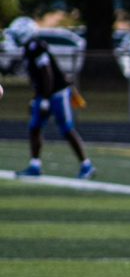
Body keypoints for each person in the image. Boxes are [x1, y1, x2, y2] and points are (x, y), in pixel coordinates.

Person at [9, 17, 95, 180]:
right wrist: (37, 98)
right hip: (44, 94)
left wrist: (46, 99)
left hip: (58, 93)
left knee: (66, 129)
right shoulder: (28, 48)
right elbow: (37, 79)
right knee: (34, 127)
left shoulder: (37, 47)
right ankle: (35, 165)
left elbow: (46, 73)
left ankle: (86, 164)